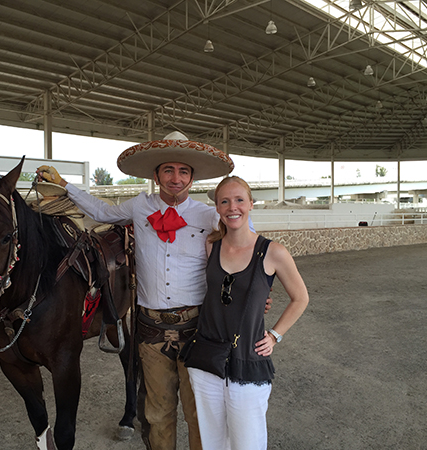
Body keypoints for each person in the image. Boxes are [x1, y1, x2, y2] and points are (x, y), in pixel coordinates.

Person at [37, 131, 267, 450]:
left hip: (198, 330)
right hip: (151, 330)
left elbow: (248, 243)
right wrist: (66, 186)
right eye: (168, 170)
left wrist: (255, 292)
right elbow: (102, 212)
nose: (176, 178)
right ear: (156, 175)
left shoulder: (209, 214)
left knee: (199, 413)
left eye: (183, 171)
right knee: (158, 413)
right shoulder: (139, 207)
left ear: (192, 176)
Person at [184, 176, 309, 450]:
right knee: (212, 441)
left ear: (251, 204)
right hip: (207, 357)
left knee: (247, 442)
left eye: (239, 200)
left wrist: (275, 335)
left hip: (246, 359)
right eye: (225, 201)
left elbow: (300, 298)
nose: (233, 207)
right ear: (217, 207)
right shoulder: (211, 246)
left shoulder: (272, 252)